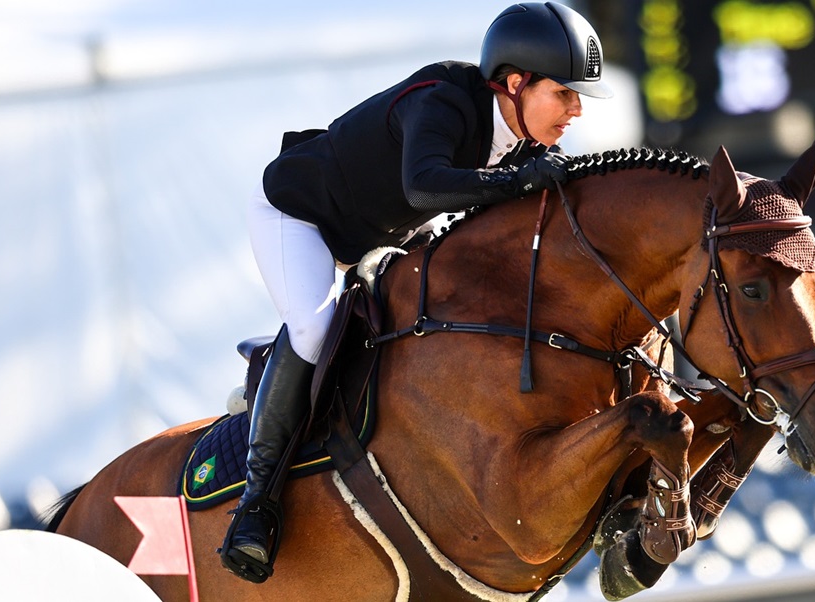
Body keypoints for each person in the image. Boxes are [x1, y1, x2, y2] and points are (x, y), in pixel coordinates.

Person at [221, 1, 612, 582]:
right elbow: (424, 184)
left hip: (385, 230)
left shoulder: (528, 137)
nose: (575, 111)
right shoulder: (444, 100)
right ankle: (256, 505)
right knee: (315, 327)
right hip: (303, 219)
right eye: (565, 94)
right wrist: (516, 182)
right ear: (514, 83)